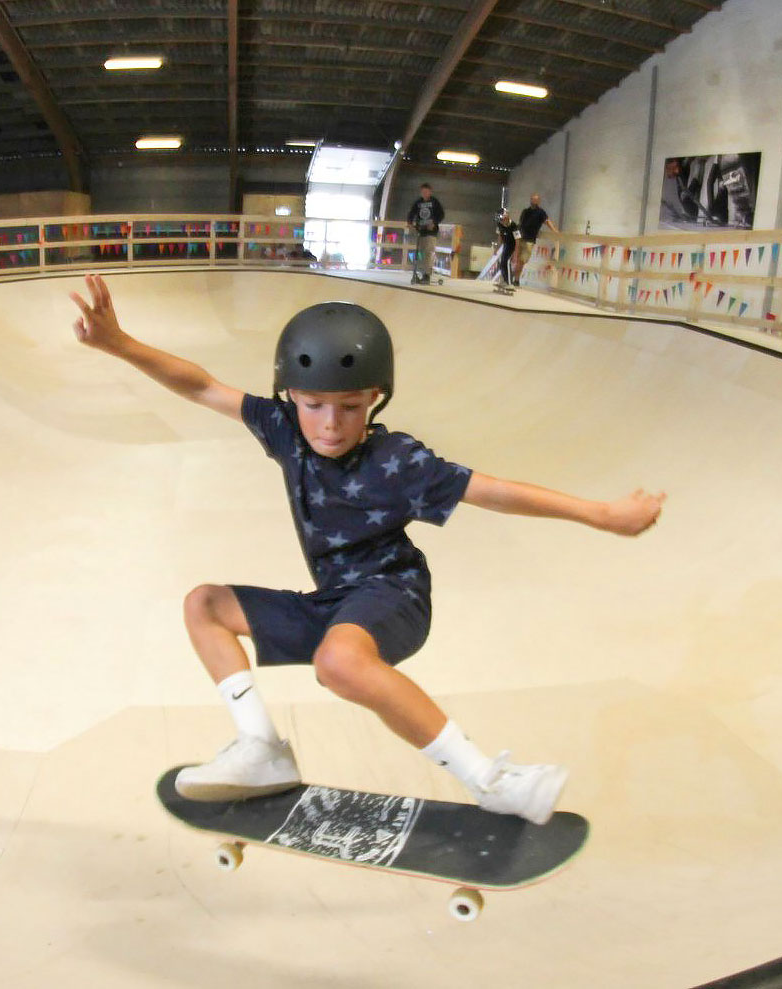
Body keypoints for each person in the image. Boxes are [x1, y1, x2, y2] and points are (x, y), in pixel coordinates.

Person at [67, 273, 665, 824]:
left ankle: (492, 781)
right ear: (290, 397)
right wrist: (119, 344)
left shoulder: (398, 461)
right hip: (333, 604)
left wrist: (601, 514)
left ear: (376, 398)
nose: (330, 424)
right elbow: (199, 386)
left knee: (339, 663)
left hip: (395, 595)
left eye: (350, 407)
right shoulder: (282, 428)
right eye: (313, 405)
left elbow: (496, 492)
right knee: (205, 605)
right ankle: (261, 749)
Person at [513, 193, 559, 286]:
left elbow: (547, 221)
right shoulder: (525, 211)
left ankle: (515, 278)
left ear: (538, 201)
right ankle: (515, 280)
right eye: (532, 199)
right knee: (517, 260)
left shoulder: (540, 212)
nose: (533, 201)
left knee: (522, 260)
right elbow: (520, 224)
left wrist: (554, 230)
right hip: (520, 238)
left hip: (529, 240)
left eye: (535, 200)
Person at [406, 183, 444, 285]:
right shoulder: (418, 202)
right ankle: (422, 273)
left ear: (430, 192)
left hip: (431, 232)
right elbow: (412, 212)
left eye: (426, 192)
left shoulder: (434, 202)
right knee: (421, 253)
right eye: (423, 192)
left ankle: (427, 274)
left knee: (428, 252)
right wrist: (410, 222)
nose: (424, 193)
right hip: (421, 231)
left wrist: (434, 222)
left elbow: (441, 214)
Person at [493, 209, 518, 286]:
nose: (501, 222)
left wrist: (515, 254)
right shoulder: (499, 225)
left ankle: (510, 283)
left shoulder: (514, 226)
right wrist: (497, 248)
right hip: (506, 245)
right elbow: (500, 236)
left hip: (513, 246)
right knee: (502, 263)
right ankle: (505, 280)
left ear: (506, 217)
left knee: (507, 262)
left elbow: (518, 241)